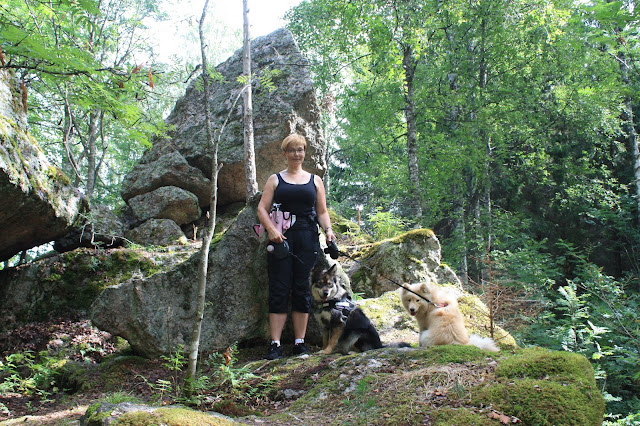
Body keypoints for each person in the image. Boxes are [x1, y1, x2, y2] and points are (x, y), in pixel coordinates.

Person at [257, 133, 336, 360]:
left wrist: (328, 231)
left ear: (304, 152)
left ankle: (300, 343)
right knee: (279, 288)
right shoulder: (275, 180)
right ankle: (275, 344)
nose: (296, 154)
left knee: (302, 288)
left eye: (300, 149)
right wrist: (272, 231)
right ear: (284, 153)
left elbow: (322, 211)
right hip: (280, 240)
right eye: (292, 150)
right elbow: (262, 209)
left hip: (307, 238)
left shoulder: (315, 181)